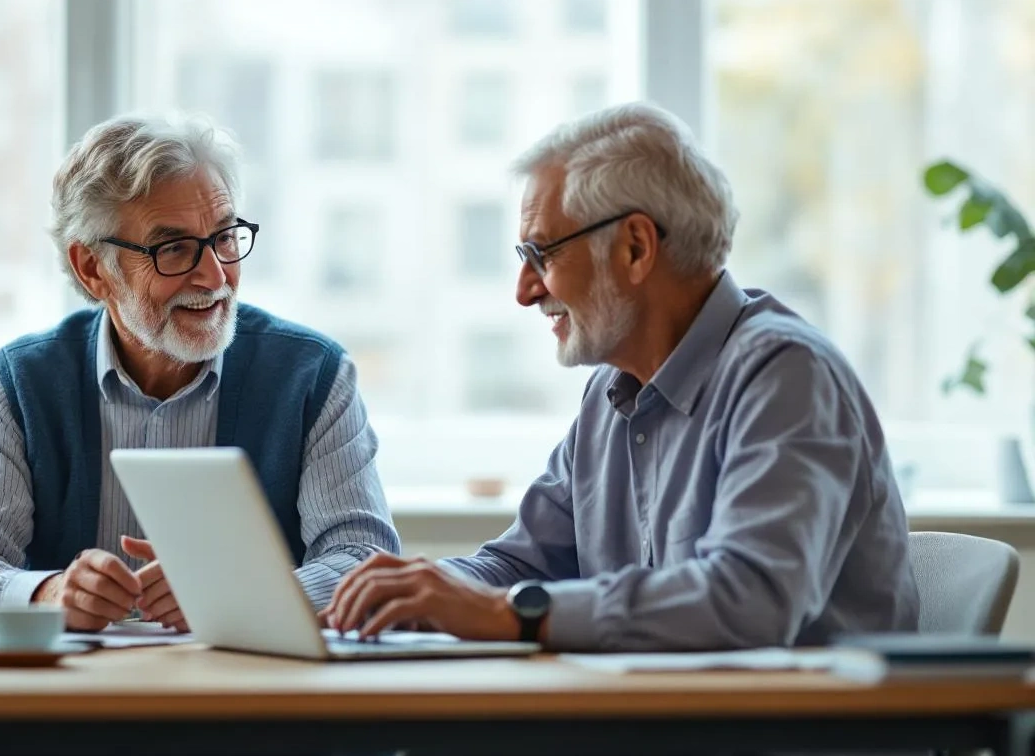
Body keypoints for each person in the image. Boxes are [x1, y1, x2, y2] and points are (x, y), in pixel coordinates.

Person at [323, 102, 919, 651]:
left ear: (635, 247)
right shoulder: (611, 396)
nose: (525, 291)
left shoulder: (787, 377)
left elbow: (749, 602)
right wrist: (399, 590)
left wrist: (513, 614)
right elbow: (520, 567)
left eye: (542, 256)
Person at [0, 113, 400, 631]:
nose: (215, 275)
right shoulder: (22, 383)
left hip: (248, 696)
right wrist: (47, 593)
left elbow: (366, 563)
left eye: (225, 237)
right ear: (92, 268)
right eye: (173, 248)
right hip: (77, 701)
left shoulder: (313, 376)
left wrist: (235, 594)